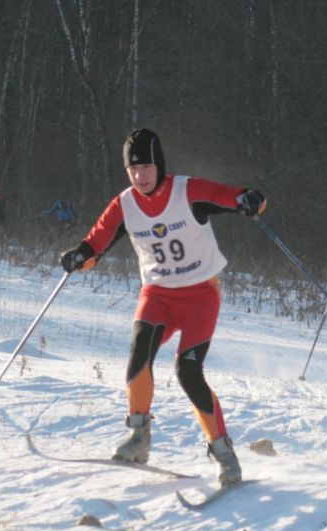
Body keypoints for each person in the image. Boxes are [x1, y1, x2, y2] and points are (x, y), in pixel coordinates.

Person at [59, 128, 267, 487]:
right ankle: (139, 437)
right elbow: (97, 240)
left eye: (146, 168)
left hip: (201, 294)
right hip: (157, 294)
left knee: (188, 372)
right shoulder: (124, 204)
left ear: (160, 166)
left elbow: (233, 197)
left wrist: (251, 200)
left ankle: (223, 452)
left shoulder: (188, 191)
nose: (140, 176)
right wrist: (80, 256)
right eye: (133, 169)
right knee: (139, 356)